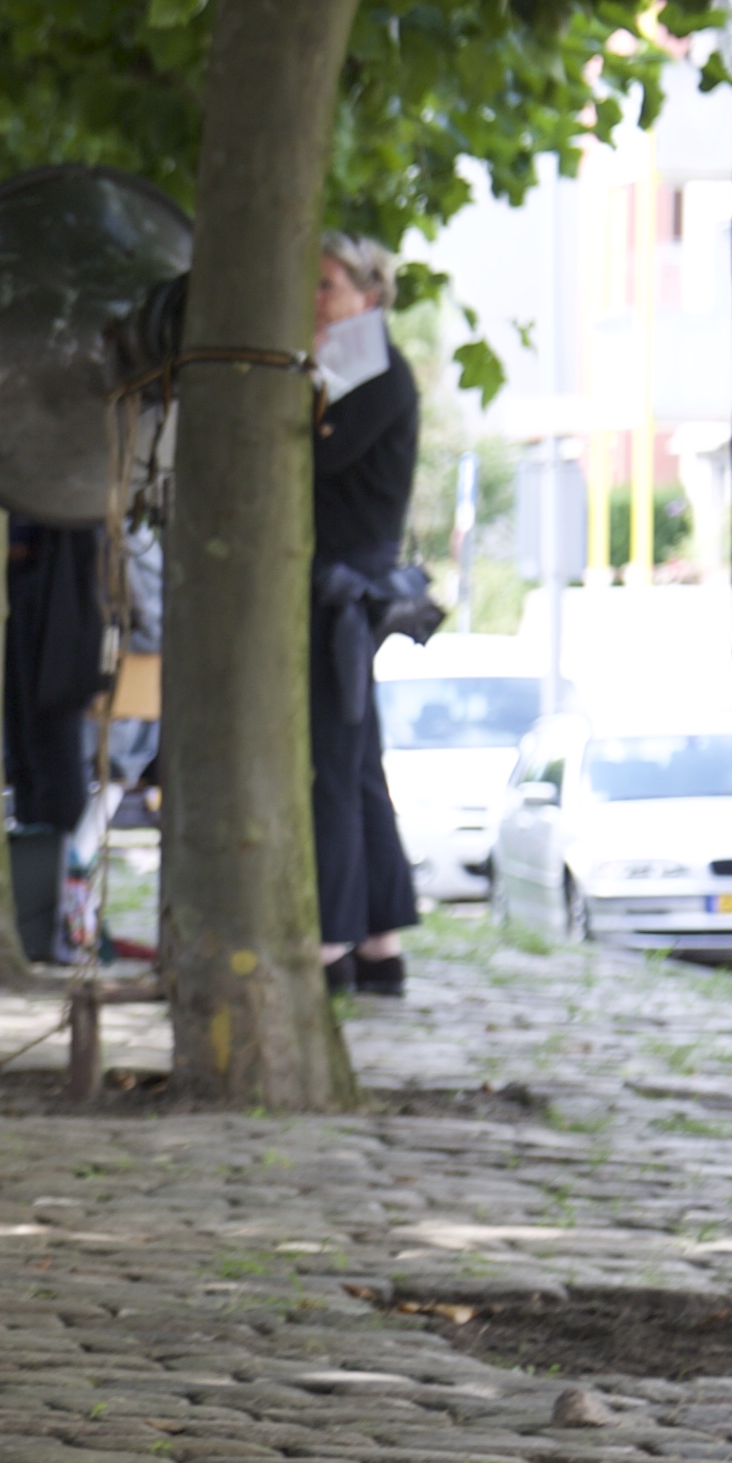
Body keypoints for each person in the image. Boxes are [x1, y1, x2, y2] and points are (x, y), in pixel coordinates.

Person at [308, 232, 422, 999]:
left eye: (325, 287)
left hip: (337, 589)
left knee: (331, 764)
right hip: (340, 582)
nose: (311, 301)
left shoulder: (366, 367)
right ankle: (378, 941)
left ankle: (332, 943)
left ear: (366, 295)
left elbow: (305, 455)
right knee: (356, 763)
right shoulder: (356, 365)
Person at [1, 512, 111, 966]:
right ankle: (34, 912)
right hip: (15, 581)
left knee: (57, 758)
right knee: (25, 756)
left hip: (60, 590)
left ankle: (66, 909)